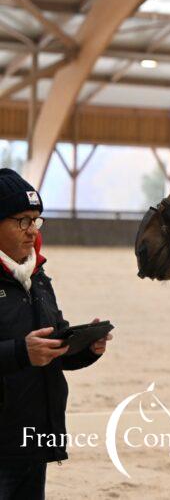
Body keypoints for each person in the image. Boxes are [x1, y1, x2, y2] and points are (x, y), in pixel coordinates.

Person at [0, 168, 111, 500]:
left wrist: (85, 347)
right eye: (22, 220)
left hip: (34, 440)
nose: (32, 230)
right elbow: (27, 351)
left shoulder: (39, 276)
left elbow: (51, 348)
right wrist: (22, 352)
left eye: (36, 219)